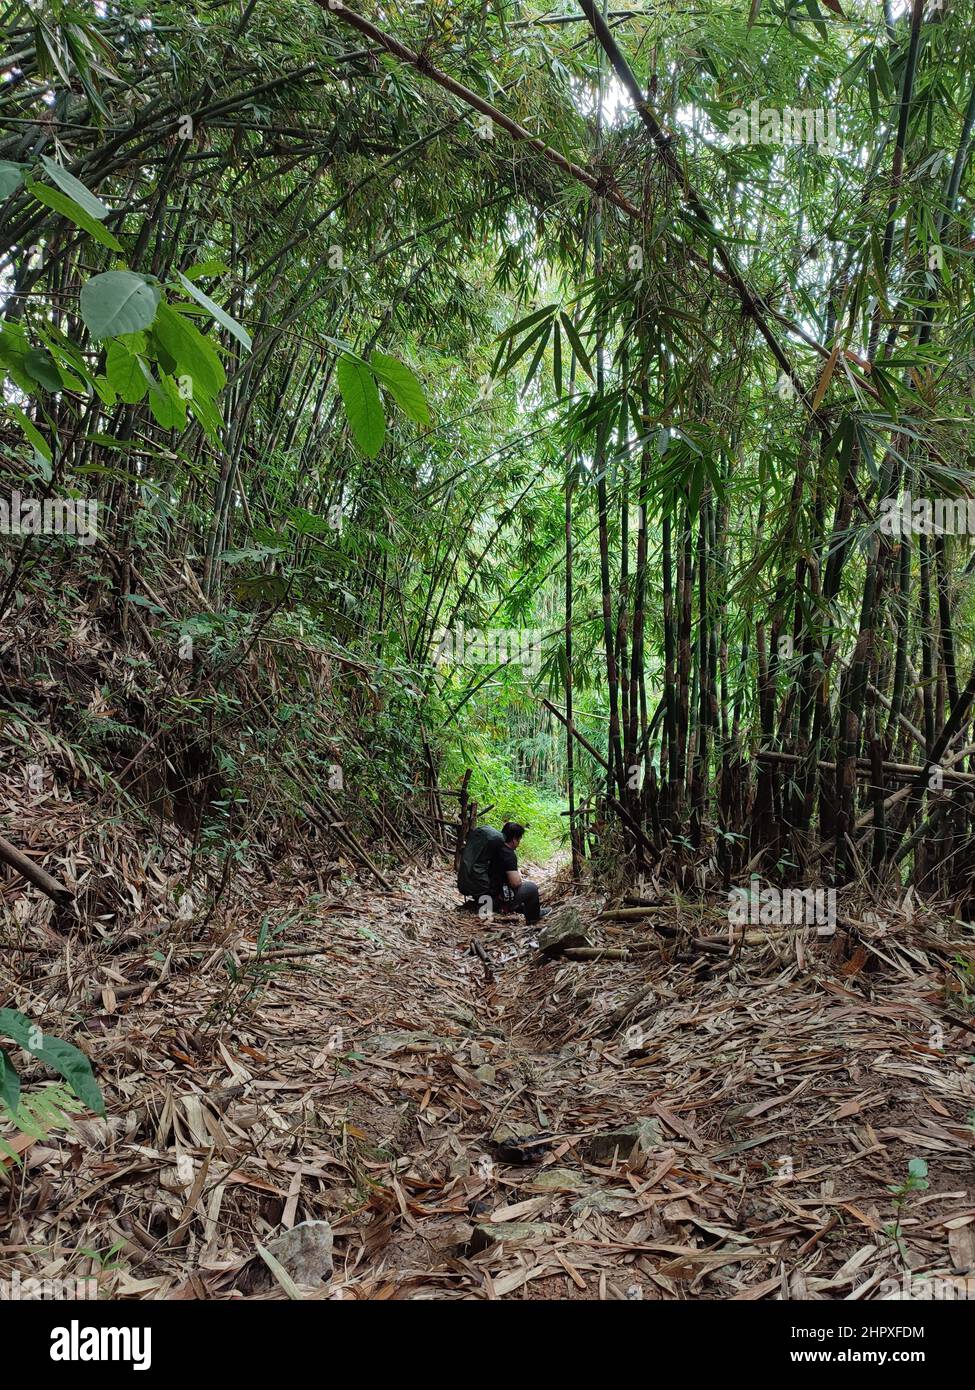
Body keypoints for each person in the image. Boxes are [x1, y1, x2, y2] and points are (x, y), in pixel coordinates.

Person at [457, 820, 546, 924]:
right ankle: (533, 918)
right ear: (514, 839)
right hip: (494, 901)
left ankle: (516, 908)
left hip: (481, 897)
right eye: (519, 840)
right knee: (531, 888)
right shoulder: (508, 854)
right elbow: (515, 883)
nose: (519, 843)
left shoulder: (492, 849)